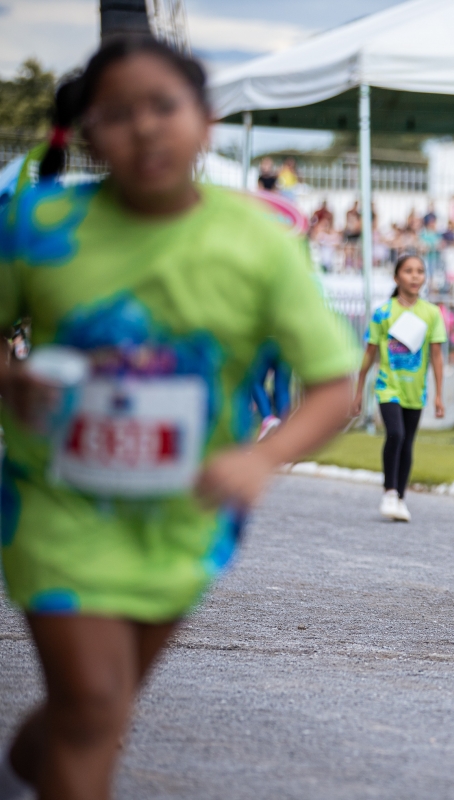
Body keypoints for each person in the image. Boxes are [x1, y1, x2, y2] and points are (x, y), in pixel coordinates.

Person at [0, 37, 357, 798]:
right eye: (118, 114)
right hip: (55, 507)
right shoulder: (37, 224)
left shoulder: (258, 242)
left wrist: (260, 458)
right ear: (88, 133)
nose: (145, 128)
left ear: (206, 120)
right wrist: (10, 378)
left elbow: (335, 384)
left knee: (95, 707)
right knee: (94, 707)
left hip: (183, 518)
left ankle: (31, 758)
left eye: (163, 106)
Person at [353, 254, 447, 522]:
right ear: (396, 277)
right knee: (395, 433)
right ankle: (389, 492)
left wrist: (439, 395)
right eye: (408, 271)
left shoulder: (432, 313)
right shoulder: (383, 313)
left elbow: (437, 355)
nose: (415, 276)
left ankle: (401, 499)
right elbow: (370, 353)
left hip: (415, 391)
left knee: (407, 442)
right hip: (388, 386)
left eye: (420, 271)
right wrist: (358, 390)